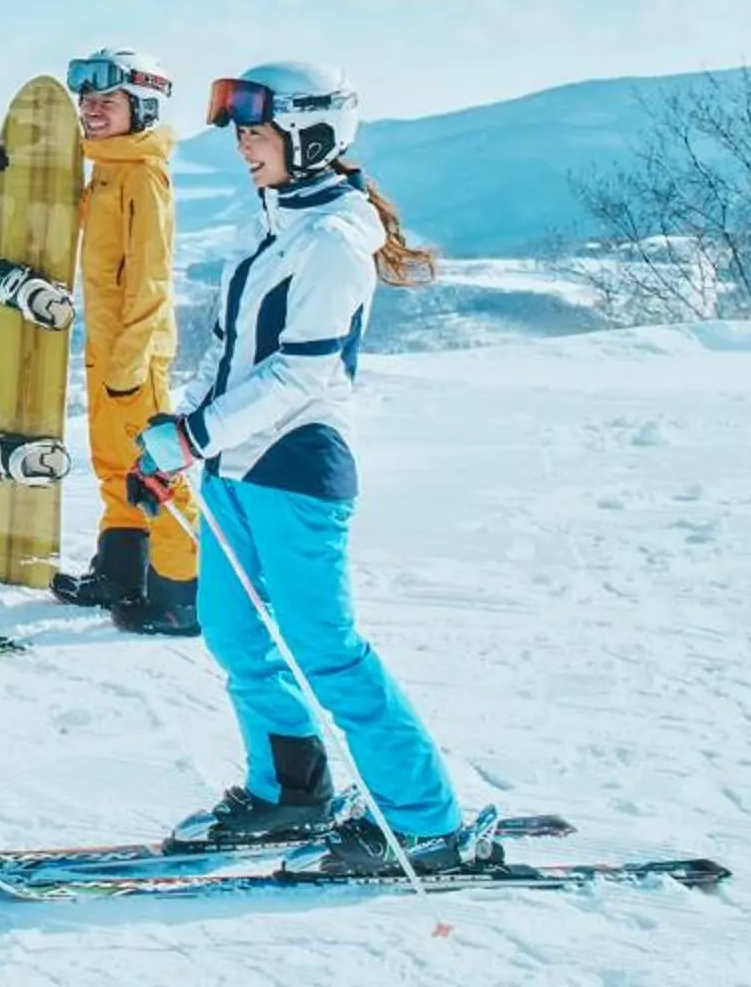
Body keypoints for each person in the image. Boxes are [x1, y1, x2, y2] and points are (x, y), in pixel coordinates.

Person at [131, 61, 496, 875]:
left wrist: (193, 435)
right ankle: (291, 789)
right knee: (233, 634)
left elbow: (303, 373)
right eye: (241, 135)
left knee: (326, 648)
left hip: (295, 467)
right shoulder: (275, 224)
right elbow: (230, 353)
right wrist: (173, 426)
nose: (244, 149)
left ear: (311, 136)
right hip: (232, 465)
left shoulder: (332, 240)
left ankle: (426, 822)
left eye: (257, 134)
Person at [50, 49, 198, 635]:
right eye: (85, 101)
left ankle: (178, 597)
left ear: (142, 107)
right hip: (108, 348)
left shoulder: (144, 173)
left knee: (157, 472)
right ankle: (119, 574)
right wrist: (13, 168)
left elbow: (152, 279)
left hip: (136, 355)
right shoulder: (108, 166)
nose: (90, 111)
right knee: (115, 464)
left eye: (106, 102)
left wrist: (132, 362)